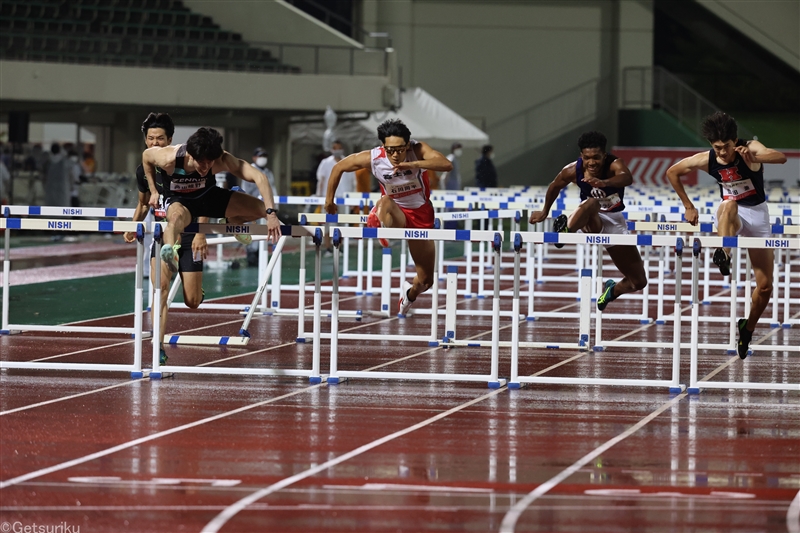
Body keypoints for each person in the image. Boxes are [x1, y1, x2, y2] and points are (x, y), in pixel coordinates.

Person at [666, 112, 787, 359]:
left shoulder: (749, 147)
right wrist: (688, 205)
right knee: (729, 204)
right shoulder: (707, 158)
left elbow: (781, 157)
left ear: (735, 141)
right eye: (717, 148)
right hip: (729, 215)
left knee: (764, 288)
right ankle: (724, 253)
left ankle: (748, 327)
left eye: (727, 147)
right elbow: (672, 172)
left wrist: (754, 156)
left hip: (758, 215)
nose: (722, 153)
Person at [324, 119, 453, 315]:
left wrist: (413, 164)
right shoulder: (374, 158)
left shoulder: (417, 149)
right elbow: (339, 167)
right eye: (389, 150)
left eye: (399, 149)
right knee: (387, 201)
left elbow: (446, 164)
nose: (394, 155)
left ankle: (409, 294)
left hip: (421, 216)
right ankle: (379, 220)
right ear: (383, 146)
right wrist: (329, 200)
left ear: (407, 145)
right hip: (395, 211)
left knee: (426, 281)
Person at [124, 112, 211, 366]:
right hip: (163, 237)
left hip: (189, 236)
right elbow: (142, 205)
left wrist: (201, 234)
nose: (155, 144)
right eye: (150, 139)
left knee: (192, 302)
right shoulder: (144, 170)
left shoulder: (186, 164)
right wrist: (133, 225)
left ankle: (197, 292)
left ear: (170, 139)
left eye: (160, 139)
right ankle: (157, 347)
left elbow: (209, 201)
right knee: (159, 289)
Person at [529, 131, 647, 312]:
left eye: (596, 158)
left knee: (638, 281)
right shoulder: (572, 170)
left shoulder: (614, 164)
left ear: (604, 155)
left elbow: (627, 177)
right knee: (591, 203)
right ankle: (565, 232)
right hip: (590, 218)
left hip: (614, 219)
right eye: (587, 158)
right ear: (581, 156)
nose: (592, 162)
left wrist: (604, 182)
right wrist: (545, 211)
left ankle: (611, 290)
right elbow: (554, 186)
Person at [142, 126, 282, 274]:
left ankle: (234, 220)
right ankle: (171, 252)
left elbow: (260, 177)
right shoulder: (168, 158)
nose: (206, 167)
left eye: (210, 162)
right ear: (191, 155)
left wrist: (271, 214)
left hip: (209, 196)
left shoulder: (222, 159)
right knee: (175, 219)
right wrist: (153, 191)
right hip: (180, 201)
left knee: (262, 209)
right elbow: (146, 157)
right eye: (202, 162)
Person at [316, 140, 355, 255]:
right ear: (332, 149)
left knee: (342, 224)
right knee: (327, 224)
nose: (337, 150)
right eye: (335, 147)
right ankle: (328, 248)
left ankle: (339, 247)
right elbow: (321, 181)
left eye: (339, 147)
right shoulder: (325, 162)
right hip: (328, 197)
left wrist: (353, 199)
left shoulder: (348, 161)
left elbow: (353, 182)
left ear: (342, 149)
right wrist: (319, 198)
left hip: (344, 198)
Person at [43, 142, 70, 207]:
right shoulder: (64, 161)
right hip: (63, 187)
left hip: (50, 188)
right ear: (59, 150)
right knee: (62, 207)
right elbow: (70, 173)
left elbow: (44, 176)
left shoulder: (48, 162)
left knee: (51, 208)